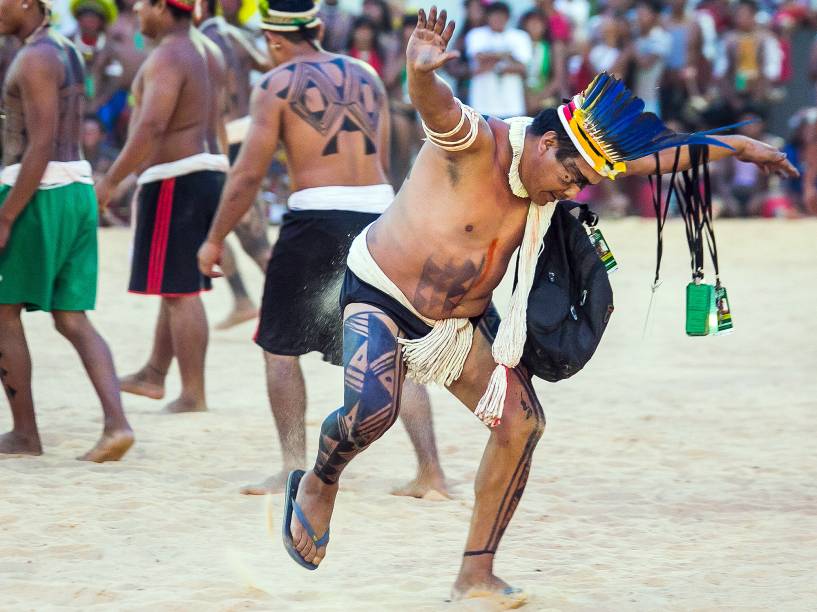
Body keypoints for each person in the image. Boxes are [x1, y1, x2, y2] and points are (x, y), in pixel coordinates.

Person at [276, 7, 798, 606]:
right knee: (372, 409)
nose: (572, 189)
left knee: (522, 423)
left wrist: (738, 145)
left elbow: (661, 155)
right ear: (546, 142)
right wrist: (420, 74)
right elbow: (433, 103)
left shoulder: (562, 161)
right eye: (571, 175)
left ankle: (475, 572)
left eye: (582, 182)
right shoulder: (477, 141)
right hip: (382, 293)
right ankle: (319, 483)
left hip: (458, 324)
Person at [198, 0, 447, 498]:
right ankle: (431, 472)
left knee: (279, 347)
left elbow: (248, 173)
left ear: (274, 40)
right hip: (381, 214)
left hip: (316, 216)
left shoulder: (274, 84)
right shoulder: (365, 74)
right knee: (396, 348)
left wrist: (213, 237)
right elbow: (381, 151)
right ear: (315, 28)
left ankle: (293, 465)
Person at [0, 0, 134, 461]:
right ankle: (117, 424)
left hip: (39, 192)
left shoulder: (35, 57)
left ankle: (23, 435)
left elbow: (38, 146)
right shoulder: (66, 48)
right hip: (75, 187)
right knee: (72, 317)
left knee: (2, 312)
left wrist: (5, 216)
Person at [95, 0, 228, 413]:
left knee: (181, 291)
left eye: (144, 3)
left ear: (165, 8)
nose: (136, 9)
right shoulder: (209, 50)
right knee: (176, 283)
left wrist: (112, 180)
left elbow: (152, 125)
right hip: (206, 169)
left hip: (177, 176)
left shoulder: (169, 54)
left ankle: (192, 395)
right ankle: (154, 372)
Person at [196, 0, 274, 330]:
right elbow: (269, 63)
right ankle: (245, 301)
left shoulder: (198, 41)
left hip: (221, 142)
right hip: (244, 134)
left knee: (247, 236)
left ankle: (293, 308)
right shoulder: (236, 36)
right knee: (231, 230)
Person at [464, 1, 532, 119]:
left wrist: (490, 60)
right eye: (494, 15)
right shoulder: (476, 35)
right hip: (482, 105)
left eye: (502, 16)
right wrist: (506, 56)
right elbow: (478, 58)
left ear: (508, 18)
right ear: (487, 17)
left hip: (512, 105)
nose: (498, 19)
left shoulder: (520, 36)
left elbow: (523, 67)